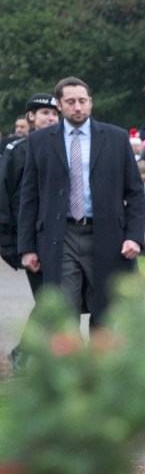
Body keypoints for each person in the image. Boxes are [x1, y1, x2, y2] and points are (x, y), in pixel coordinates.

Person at [18, 77, 145, 325]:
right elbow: (29, 196)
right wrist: (27, 247)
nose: (77, 107)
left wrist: (134, 236)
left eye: (82, 101)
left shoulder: (116, 138)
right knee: (64, 309)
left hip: (107, 234)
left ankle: (100, 363)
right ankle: (71, 361)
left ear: (91, 102)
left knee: (106, 309)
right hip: (60, 234)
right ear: (59, 104)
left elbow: (135, 192)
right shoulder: (40, 141)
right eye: (71, 102)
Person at [0, 93, 60, 370]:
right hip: (30, 241)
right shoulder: (17, 152)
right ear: (30, 117)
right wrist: (10, 245)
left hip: (60, 238)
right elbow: (3, 199)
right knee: (50, 300)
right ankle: (27, 352)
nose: (51, 118)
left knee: (57, 300)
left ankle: (33, 351)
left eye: (54, 113)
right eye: (44, 113)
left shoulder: (66, 149)